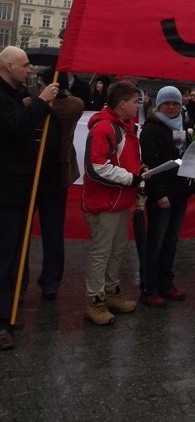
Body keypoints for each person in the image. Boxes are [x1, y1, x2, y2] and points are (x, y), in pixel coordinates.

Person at [0, 47, 59, 351]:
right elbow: (15, 127)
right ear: (8, 65)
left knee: (14, 254)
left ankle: (10, 308)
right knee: (3, 254)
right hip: (6, 189)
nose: (29, 70)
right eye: (24, 66)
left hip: (20, 186)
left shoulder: (16, 90)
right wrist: (39, 103)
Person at [82, 80, 144, 325]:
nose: (138, 105)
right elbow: (96, 167)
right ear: (122, 103)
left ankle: (109, 292)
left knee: (116, 251)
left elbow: (123, 161)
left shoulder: (126, 127)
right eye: (136, 101)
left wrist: (139, 171)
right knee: (101, 253)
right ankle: (94, 300)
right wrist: (131, 178)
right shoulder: (104, 128)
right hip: (104, 202)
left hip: (119, 201)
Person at [139, 86, 191, 307]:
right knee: (157, 241)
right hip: (162, 194)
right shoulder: (151, 130)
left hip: (180, 191)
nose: (171, 108)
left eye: (175, 104)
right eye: (167, 104)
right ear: (159, 106)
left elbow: (183, 158)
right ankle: (150, 286)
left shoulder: (184, 127)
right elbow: (150, 164)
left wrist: (194, 155)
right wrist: (159, 193)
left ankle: (166, 282)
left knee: (171, 241)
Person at [35, 68, 84, 300]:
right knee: (53, 231)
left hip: (37, 173)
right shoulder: (75, 105)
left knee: (23, 231)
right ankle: (51, 281)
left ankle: (19, 282)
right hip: (60, 174)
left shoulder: (34, 103)